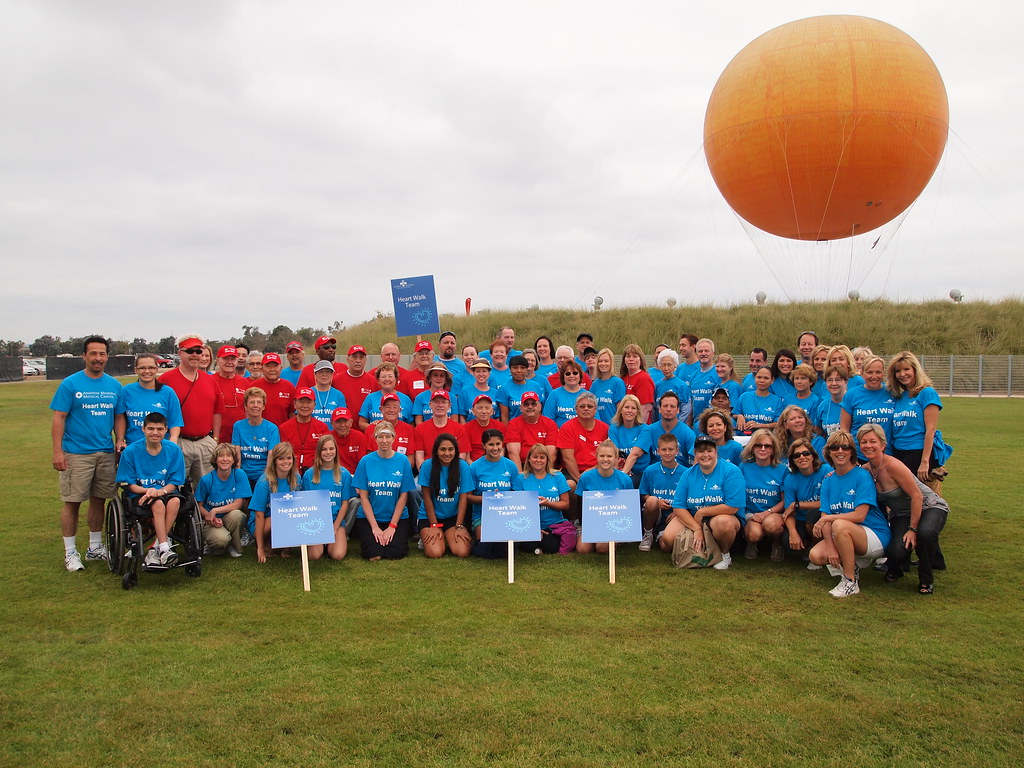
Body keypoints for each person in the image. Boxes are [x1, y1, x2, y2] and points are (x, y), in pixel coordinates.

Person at [51, 336, 128, 559]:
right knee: (73, 502)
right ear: (84, 356)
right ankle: (70, 552)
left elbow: (119, 416)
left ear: (107, 357)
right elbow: (59, 418)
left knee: (99, 500)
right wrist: (58, 452)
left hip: (105, 452)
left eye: (102, 354)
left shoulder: (114, 385)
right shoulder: (70, 384)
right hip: (76, 453)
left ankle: (94, 548)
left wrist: (120, 439)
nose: (98, 358)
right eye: (93, 353)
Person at [858, 423, 948, 594]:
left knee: (924, 534)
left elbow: (917, 496)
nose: (868, 445)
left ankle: (926, 579)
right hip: (902, 514)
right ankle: (896, 569)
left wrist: (912, 529)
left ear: (882, 445)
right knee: (896, 551)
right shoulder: (866, 470)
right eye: (864, 442)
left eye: (873, 441)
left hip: (929, 506)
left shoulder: (893, 465)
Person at [808, 430, 891, 598]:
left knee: (839, 524)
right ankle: (854, 565)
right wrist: (831, 547)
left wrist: (829, 518)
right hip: (846, 533)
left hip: (874, 535)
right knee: (816, 555)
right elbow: (825, 518)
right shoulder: (828, 481)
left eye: (845, 447)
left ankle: (850, 581)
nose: (840, 451)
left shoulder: (862, 476)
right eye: (835, 447)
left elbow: (860, 516)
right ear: (828, 452)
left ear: (852, 452)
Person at [663, 434, 746, 570]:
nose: (705, 455)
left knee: (723, 523)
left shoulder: (731, 471)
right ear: (695, 453)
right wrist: (697, 529)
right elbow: (678, 506)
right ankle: (701, 549)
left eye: (709, 450)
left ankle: (724, 554)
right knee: (667, 539)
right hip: (694, 515)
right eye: (701, 451)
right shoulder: (688, 474)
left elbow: (732, 506)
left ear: (716, 452)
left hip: (722, 516)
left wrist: (702, 512)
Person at [116, 411, 187, 568]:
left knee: (175, 501)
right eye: (151, 428)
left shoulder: (173, 450)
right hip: (140, 494)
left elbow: (175, 482)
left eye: (160, 429)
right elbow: (129, 484)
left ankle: (156, 547)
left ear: (166, 430)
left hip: (165, 491)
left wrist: (160, 492)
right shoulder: (131, 451)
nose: (155, 433)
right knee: (158, 503)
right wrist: (148, 491)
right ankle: (164, 547)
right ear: (143, 429)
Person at [158, 335, 224, 485]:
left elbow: (217, 411)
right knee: (174, 487)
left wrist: (215, 439)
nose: (195, 355)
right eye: (190, 351)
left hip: (205, 443)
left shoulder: (210, 380)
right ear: (180, 353)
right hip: (178, 442)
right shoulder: (166, 379)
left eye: (198, 351)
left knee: (206, 488)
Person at [353, 422, 416, 561]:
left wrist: (392, 526)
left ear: (394, 438)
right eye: (380, 436)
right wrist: (375, 527)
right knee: (374, 555)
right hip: (370, 517)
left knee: (395, 553)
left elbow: (403, 496)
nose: (384, 440)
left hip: (396, 517)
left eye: (388, 436)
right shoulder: (365, 461)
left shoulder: (403, 461)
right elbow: (363, 497)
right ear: (375, 438)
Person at [887, 351, 944, 486]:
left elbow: (931, 430)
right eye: (898, 371)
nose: (902, 374)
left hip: (917, 451)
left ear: (915, 370)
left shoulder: (927, 393)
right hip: (898, 450)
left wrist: (925, 461)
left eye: (906, 369)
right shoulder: (900, 396)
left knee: (904, 489)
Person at [418, 433, 473, 558]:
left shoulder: (463, 466)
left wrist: (459, 526)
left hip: (452, 518)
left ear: (455, 451)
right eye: (443, 449)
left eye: (450, 449)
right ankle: (427, 537)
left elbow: (463, 498)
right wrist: (434, 525)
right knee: (435, 553)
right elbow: (426, 498)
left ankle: (447, 535)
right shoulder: (427, 465)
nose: (447, 453)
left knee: (463, 552)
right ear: (436, 451)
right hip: (430, 517)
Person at [301, 434, 356, 561]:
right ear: (319, 452)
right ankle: (320, 545)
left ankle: (333, 541)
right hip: (315, 522)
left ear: (336, 450)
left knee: (337, 555)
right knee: (314, 556)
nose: (328, 452)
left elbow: (345, 503)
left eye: (331, 449)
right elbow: (306, 504)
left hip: (335, 521)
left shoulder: (344, 474)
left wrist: (335, 527)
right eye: (324, 449)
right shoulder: (309, 474)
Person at [574, 440, 633, 554]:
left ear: (616, 458)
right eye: (602, 456)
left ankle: (617, 540)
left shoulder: (625, 479)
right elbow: (580, 504)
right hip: (593, 522)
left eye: (609, 456)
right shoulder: (586, 477)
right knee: (582, 549)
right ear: (596, 457)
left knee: (602, 548)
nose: (605, 459)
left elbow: (629, 507)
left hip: (615, 522)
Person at [740, 429, 788, 562]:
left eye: (767, 446)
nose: (762, 449)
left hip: (774, 512)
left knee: (771, 525)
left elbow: (785, 501)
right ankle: (752, 543)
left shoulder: (782, 470)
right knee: (754, 534)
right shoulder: (744, 467)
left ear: (773, 450)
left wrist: (767, 513)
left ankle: (777, 544)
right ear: (752, 448)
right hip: (751, 513)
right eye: (758, 445)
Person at [194, 442, 250, 557]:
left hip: (228, 516)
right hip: (211, 520)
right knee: (220, 540)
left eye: (229, 456)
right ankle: (214, 544)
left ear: (234, 460)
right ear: (215, 460)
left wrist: (215, 510)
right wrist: (211, 516)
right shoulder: (206, 480)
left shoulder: (239, 474)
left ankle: (234, 545)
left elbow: (238, 503)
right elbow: (199, 505)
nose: (225, 459)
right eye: (221, 456)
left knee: (237, 515)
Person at [467, 428, 523, 542]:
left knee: (505, 545)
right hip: (482, 515)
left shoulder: (510, 466)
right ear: (484, 445)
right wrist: (489, 498)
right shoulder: (474, 467)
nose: (495, 448)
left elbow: (517, 494)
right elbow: (468, 497)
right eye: (491, 444)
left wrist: (503, 498)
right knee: (485, 544)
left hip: (507, 513)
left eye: (498, 444)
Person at [249, 442, 302, 562]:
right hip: (263, 521)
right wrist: (260, 548)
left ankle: (284, 545)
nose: (286, 462)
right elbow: (259, 515)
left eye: (288, 458)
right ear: (274, 461)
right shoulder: (264, 482)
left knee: (291, 515)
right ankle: (265, 543)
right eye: (281, 458)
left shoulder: (296, 478)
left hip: (286, 518)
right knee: (279, 517)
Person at [781, 438, 830, 565]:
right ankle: (809, 547)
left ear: (813, 456)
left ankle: (819, 550)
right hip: (801, 520)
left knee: (813, 514)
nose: (802, 457)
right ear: (792, 460)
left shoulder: (826, 471)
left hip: (824, 517)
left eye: (806, 453)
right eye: (797, 455)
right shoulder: (790, 479)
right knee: (787, 541)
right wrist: (793, 533)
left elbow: (829, 502)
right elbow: (788, 512)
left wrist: (798, 505)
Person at [520, 443, 576, 554]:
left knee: (551, 547)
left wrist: (548, 503)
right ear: (529, 459)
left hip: (553, 524)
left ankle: (541, 544)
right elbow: (519, 507)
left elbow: (565, 504)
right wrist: (533, 528)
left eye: (542, 457)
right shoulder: (521, 478)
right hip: (529, 524)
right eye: (535, 457)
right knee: (529, 545)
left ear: (547, 460)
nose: (538, 460)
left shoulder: (558, 476)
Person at [622, 391, 696, 475]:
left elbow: (696, 458)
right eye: (665, 406)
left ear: (678, 410)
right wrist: (623, 475)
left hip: (679, 476)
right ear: (659, 409)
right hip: (654, 476)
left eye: (672, 406)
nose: (668, 409)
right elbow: (635, 453)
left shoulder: (687, 433)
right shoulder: (649, 430)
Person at [839, 355, 894, 461]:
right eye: (869, 372)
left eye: (878, 372)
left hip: (887, 454)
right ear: (862, 373)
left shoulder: (892, 393)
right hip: (859, 455)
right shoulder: (851, 395)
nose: (874, 376)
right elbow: (844, 429)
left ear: (883, 373)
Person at [122, 353, 183, 444]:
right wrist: (120, 440)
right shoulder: (126, 391)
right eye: (142, 368)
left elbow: (175, 422)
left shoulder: (168, 392)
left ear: (157, 369)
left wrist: (173, 441)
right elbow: (119, 419)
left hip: (160, 447)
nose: (147, 371)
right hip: (133, 446)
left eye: (151, 367)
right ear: (135, 370)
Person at [638, 433, 684, 552]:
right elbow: (643, 494)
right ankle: (648, 534)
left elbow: (688, 498)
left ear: (677, 451)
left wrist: (678, 512)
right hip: (655, 513)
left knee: (665, 547)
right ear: (658, 451)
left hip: (674, 515)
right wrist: (658, 502)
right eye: (664, 449)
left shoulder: (685, 472)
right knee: (652, 500)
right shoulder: (650, 470)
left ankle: (662, 535)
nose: (667, 453)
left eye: (671, 449)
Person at [557, 391, 610, 493]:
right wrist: (580, 480)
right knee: (570, 485)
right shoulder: (567, 427)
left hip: (598, 469)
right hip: (573, 472)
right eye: (582, 406)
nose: (586, 408)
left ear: (595, 410)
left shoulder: (604, 428)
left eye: (590, 406)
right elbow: (568, 458)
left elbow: (609, 456)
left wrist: (594, 469)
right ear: (576, 409)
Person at [232, 387, 281, 487]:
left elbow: (271, 458)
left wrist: (266, 478)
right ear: (246, 406)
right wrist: (238, 478)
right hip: (244, 474)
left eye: (259, 402)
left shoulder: (272, 428)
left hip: (264, 475)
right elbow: (237, 456)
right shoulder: (238, 426)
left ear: (263, 406)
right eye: (252, 402)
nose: (255, 405)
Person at [413, 390, 470, 470]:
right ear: (430, 405)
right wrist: (426, 475)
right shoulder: (420, 429)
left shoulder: (459, 429)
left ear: (449, 405)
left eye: (443, 402)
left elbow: (461, 457)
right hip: (429, 472)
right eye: (436, 402)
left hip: (452, 473)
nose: (440, 405)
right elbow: (419, 457)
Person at [505, 391, 558, 471]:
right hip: (522, 466)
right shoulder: (513, 424)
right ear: (521, 407)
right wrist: (520, 476)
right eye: (526, 404)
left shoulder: (550, 424)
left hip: (544, 467)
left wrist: (542, 474)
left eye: (533, 404)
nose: (530, 407)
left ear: (540, 406)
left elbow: (551, 453)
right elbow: (513, 453)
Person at [279, 388, 329, 472]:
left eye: (308, 402)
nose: (305, 406)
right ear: (294, 404)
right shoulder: (284, 428)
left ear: (314, 405)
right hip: (290, 471)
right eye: (301, 402)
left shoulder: (322, 428)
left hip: (316, 471)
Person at [363, 392, 416, 464]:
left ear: (400, 410)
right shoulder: (371, 429)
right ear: (381, 409)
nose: (391, 410)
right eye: (388, 407)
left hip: (400, 469)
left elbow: (410, 459)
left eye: (395, 407)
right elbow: (369, 458)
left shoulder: (409, 430)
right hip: (377, 468)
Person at [358, 362, 414, 429]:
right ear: (378, 380)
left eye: (390, 376)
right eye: (383, 377)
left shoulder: (405, 399)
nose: (387, 379)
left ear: (396, 379)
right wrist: (376, 428)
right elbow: (362, 423)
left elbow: (412, 424)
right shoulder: (370, 398)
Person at [608, 394, 647, 486]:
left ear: (637, 412)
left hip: (639, 473)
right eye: (626, 407)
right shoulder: (614, 428)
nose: (629, 411)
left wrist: (622, 476)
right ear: (621, 410)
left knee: (626, 483)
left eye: (633, 408)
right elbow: (615, 455)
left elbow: (635, 454)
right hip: (619, 470)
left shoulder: (644, 429)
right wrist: (615, 477)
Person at [211, 345, 248, 444]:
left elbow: (247, 411)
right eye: (226, 359)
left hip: (239, 438)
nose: (229, 362)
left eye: (233, 359)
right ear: (218, 360)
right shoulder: (209, 381)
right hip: (215, 438)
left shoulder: (245, 382)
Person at [333, 345, 378, 417]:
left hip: (365, 423)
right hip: (344, 423)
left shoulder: (373, 381)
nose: (358, 361)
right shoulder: (336, 380)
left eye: (361, 357)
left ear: (365, 360)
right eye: (354, 357)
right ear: (348, 359)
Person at [735, 366, 784, 433]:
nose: (762, 381)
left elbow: (778, 423)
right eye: (759, 377)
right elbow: (734, 413)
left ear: (772, 380)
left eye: (766, 378)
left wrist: (760, 425)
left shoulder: (777, 401)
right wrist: (739, 416)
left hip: (765, 437)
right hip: (743, 436)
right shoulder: (744, 397)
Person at [252, 352, 295, 426]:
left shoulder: (289, 387)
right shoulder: (254, 387)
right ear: (261, 368)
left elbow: (292, 414)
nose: (272, 369)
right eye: (268, 366)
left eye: (275, 366)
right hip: (258, 431)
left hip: (282, 431)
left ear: (281, 368)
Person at [652, 349, 692, 424]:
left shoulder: (681, 385)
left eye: (669, 364)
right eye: (663, 365)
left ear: (675, 366)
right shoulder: (657, 385)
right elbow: (654, 409)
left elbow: (686, 409)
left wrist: (677, 425)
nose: (666, 368)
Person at [543, 360, 588, 427]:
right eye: (568, 374)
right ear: (563, 376)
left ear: (580, 375)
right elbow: (548, 420)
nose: (571, 376)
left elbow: (594, 420)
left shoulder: (588, 395)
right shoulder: (554, 394)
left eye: (575, 373)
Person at [619, 343, 656, 423]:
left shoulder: (644, 378)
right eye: (628, 356)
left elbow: (645, 408)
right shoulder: (623, 378)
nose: (631, 359)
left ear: (641, 360)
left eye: (635, 356)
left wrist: (637, 427)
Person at [500, 354, 543, 419]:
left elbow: (539, 411)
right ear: (510, 369)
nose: (519, 371)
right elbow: (504, 416)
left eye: (522, 368)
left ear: (527, 369)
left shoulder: (535, 386)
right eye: (515, 368)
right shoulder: (504, 388)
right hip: (514, 424)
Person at [590, 348, 626, 424]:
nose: (603, 364)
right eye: (600, 361)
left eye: (606, 361)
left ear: (611, 363)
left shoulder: (618, 383)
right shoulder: (595, 384)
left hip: (612, 427)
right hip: (597, 427)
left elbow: (620, 411)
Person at [464, 394, 505, 461]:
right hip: (474, 464)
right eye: (480, 408)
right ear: (473, 411)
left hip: (496, 463)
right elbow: (467, 458)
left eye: (487, 408)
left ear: (492, 411)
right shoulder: (466, 428)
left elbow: (501, 451)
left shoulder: (499, 426)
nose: (484, 411)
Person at [330, 407, 370, 474]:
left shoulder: (359, 437)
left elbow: (362, 464)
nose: (342, 425)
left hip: (354, 476)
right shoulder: (327, 438)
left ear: (351, 422)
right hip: (333, 475)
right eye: (338, 422)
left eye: (345, 421)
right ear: (332, 424)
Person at [811, 365, 848, 436]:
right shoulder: (823, 406)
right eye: (830, 380)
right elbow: (819, 430)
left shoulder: (853, 403)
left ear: (845, 382)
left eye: (838, 380)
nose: (833, 383)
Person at [689, 339, 720, 421]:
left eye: (706, 351)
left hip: (713, 421)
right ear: (696, 354)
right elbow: (691, 402)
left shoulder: (718, 374)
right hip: (696, 422)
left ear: (713, 353)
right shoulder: (693, 375)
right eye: (700, 351)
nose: (703, 353)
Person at [310, 360, 348, 426]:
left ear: (332, 374)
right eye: (321, 372)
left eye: (328, 372)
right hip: (312, 431)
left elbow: (343, 418)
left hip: (332, 432)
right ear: (315, 374)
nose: (324, 374)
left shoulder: (338, 395)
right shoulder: (309, 393)